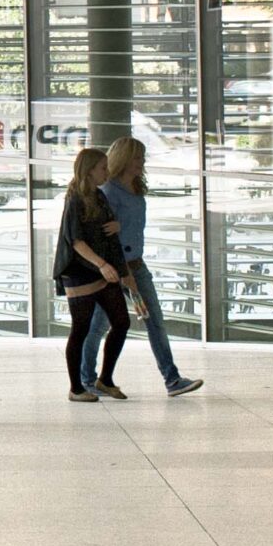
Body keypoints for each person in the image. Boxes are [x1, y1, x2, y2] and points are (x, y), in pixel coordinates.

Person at [76, 137, 205, 398]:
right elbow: (101, 233)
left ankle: (172, 379)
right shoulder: (110, 192)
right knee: (99, 326)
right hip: (117, 271)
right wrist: (120, 271)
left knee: (153, 321)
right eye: (137, 158)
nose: (141, 163)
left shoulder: (135, 187)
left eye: (142, 158)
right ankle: (87, 379)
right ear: (123, 158)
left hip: (137, 265)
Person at [55, 147, 133, 403]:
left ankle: (105, 379)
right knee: (81, 328)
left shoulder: (98, 196)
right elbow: (75, 241)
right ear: (89, 170)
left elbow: (109, 234)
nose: (107, 173)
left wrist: (122, 270)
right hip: (80, 271)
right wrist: (102, 265)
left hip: (103, 268)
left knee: (121, 322)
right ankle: (76, 388)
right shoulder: (75, 197)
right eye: (102, 168)